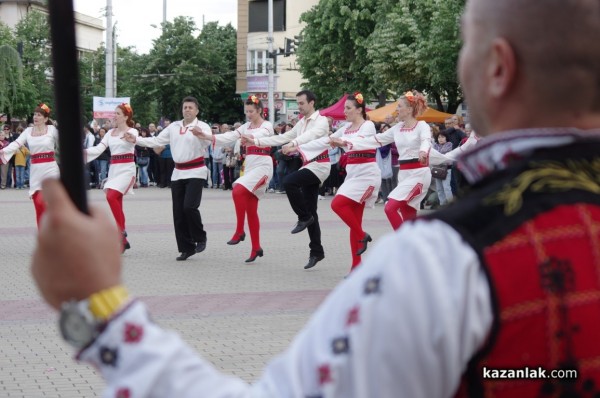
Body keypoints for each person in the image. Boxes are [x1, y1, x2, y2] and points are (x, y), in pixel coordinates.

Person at [31, 0, 600, 396]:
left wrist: (97, 309)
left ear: (498, 67)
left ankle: (323, 239)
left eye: (467, 46)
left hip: (381, 188)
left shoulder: (445, 262)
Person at [287, 92, 380, 272]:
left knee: (337, 204)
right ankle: (356, 268)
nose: (344, 111)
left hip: (367, 175)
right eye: (344, 108)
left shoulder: (367, 126)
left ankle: (362, 236)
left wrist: (341, 141)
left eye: (348, 108)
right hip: (353, 177)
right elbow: (324, 141)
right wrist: (296, 147)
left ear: (359, 110)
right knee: (354, 222)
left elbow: (358, 141)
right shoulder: (345, 128)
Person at [241, 90, 330, 270]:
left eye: (301, 103)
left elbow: (308, 137)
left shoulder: (321, 121)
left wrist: (293, 144)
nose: (299, 106)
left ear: (312, 103)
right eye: (297, 103)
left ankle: (303, 217)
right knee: (312, 212)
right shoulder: (302, 122)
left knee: (290, 182)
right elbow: (282, 137)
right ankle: (316, 251)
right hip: (308, 165)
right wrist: (256, 141)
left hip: (320, 165)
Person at [126, 96, 211, 261]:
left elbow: (208, 142)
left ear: (197, 111)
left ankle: (200, 237)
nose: (187, 110)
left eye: (190, 107)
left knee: (189, 207)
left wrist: (201, 135)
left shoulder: (202, 126)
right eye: (185, 107)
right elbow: (157, 140)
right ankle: (187, 248)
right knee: (178, 213)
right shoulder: (174, 126)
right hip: (178, 173)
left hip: (196, 171)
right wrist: (136, 140)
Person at [332, 90, 431, 230]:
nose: (396, 109)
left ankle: (405, 244)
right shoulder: (397, 128)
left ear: (409, 109)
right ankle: (418, 247)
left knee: (390, 207)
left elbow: (426, 140)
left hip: (419, 174)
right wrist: (347, 143)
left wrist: (423, 150)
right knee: (409, 217)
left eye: (399, 106)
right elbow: (375, 140)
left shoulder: (422, 126)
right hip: (404, 174)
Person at [194, 95, 274, 263]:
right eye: (246, 111)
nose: (248, 114)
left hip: (263, 166)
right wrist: (205, 135)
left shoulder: (266, 126)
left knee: (237, 189)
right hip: (251, 165)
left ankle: (239, 231)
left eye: (251, 111)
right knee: (251, 209)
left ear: (259, 110)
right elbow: (228, 137)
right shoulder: (246, 126)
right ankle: (256, 248)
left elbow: (262, 134)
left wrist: (250, 138)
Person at [86, 103, 138, 252]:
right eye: (114, 113)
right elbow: (98, 149)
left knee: (111, 196)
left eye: (118, 114)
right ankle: (123, 241)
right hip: (114, 169)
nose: (114, 116)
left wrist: (131, 138)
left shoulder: (132, 131)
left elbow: (135, 139)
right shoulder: (110, 133)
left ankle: (120, 232)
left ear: (126, 117)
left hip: (127, 169)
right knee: (116, 201)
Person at [0, 104, 59, 226]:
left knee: (48, 202)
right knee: (38, 204)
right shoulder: (27, 131)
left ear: (46, 118)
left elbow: (65, 144)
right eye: (35, 114)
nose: (35, 117)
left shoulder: (52, 130)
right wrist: (2, 151)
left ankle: (57, 233)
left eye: (39, 115)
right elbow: (16, 144)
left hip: (51, 168)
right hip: (36, 170)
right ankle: (43, 237)